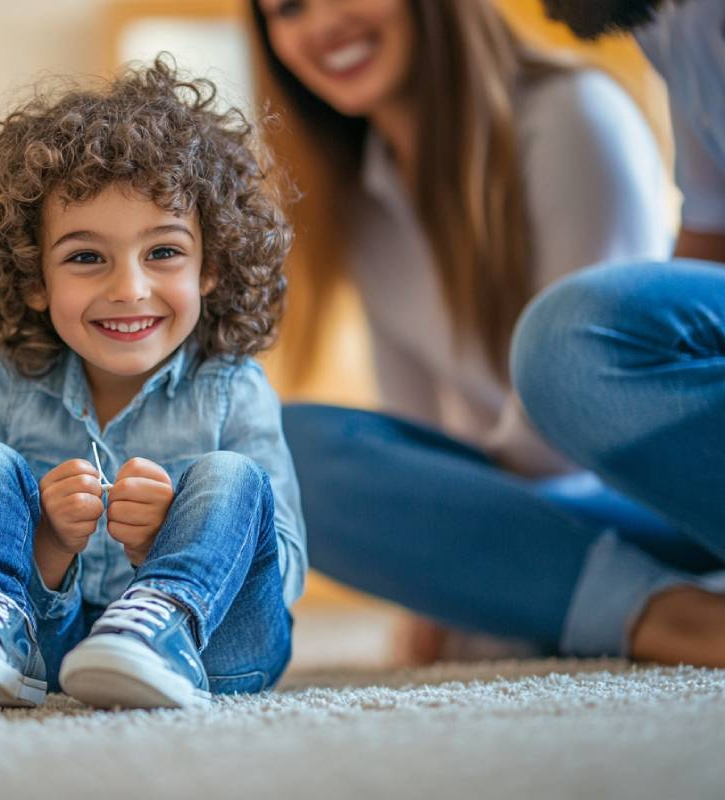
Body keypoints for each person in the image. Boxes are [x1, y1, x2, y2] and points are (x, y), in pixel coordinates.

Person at [248, 0, 676, 660]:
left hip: (649, 491)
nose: (321, 24)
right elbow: (415, 425)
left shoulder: (572, 116)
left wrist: (455, 541)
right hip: (529, 505)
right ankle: (604, 599)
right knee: (278, 454)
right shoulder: (362, 192)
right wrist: (436, 559)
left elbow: (575, 405)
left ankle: (660, 609)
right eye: (288, 8)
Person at [0, 59, 306, 709]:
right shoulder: (13, 383)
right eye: (86, 257)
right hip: (52, 649)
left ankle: (159, 623)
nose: (129, 289)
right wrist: (52, 543)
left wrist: (167, 541)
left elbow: (283, 574)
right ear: (34, 278)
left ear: (210, 266)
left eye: (163, 252)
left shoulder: (233, 387)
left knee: (232, 476)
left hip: (217, 649)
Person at [506, 0, 725, 666]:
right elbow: (710, 235)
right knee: (304, 452)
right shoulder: (674, 23)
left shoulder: (569, 110)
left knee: (570, 339)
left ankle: (640, 609)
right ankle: (670, 608)